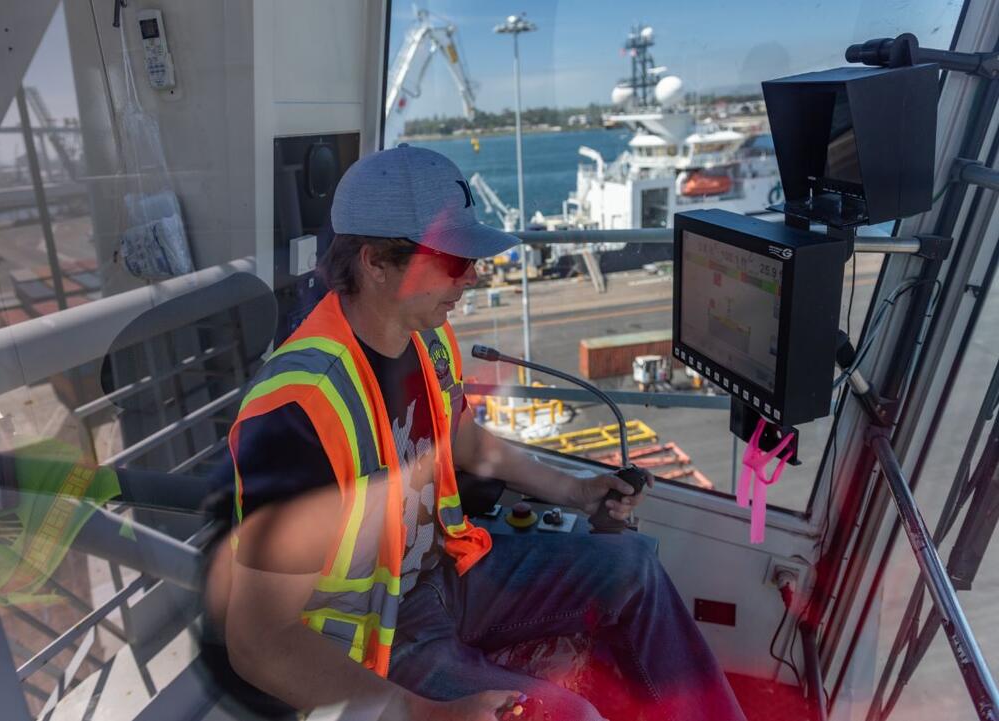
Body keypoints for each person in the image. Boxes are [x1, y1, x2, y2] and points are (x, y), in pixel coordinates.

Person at [211, 145, 745, 721]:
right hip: (377, 643)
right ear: (374, 262)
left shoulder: (428, 337)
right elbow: (259, 642)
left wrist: (573, 488)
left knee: (634, 564)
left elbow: (463, 440)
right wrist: (420, 713)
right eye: (451, 261)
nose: (471, 277)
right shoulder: (298, 409)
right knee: (569, 716)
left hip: (446, 575)